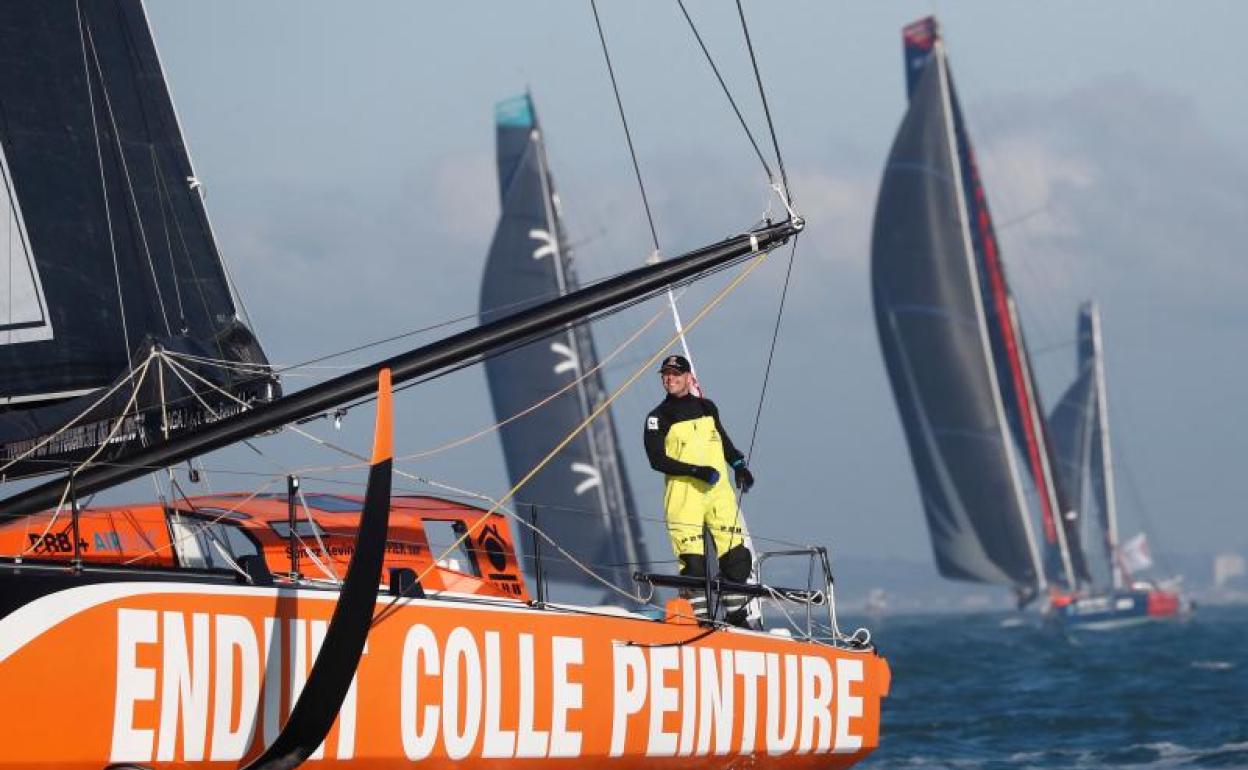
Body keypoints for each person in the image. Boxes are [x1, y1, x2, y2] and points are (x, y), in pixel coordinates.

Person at [644, 354, 756, 626]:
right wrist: (696, 470)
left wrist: (740, 466)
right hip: (684, 495)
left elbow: (725, 444)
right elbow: (657, 460)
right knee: (693, 566)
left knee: (738, 558)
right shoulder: (657, 417)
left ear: (688, 377)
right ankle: (702, 621)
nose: (670, 379)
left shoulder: (707, 407)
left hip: (718, 492)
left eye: (676, 374)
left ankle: (736, 618)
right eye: (666, 375)